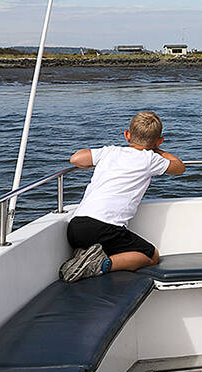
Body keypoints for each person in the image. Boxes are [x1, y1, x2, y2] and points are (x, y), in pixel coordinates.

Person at [60, 110, 185, 282]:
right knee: (151, 255)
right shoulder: (149, 158)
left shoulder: (110, 152)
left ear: (127, 135)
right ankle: (100, 264)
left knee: (113, 243)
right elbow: (179, 167)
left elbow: (76, 158)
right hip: (104, 228)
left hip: (76, 227)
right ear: (159, 141)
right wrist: (157, 149)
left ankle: (88, 255)